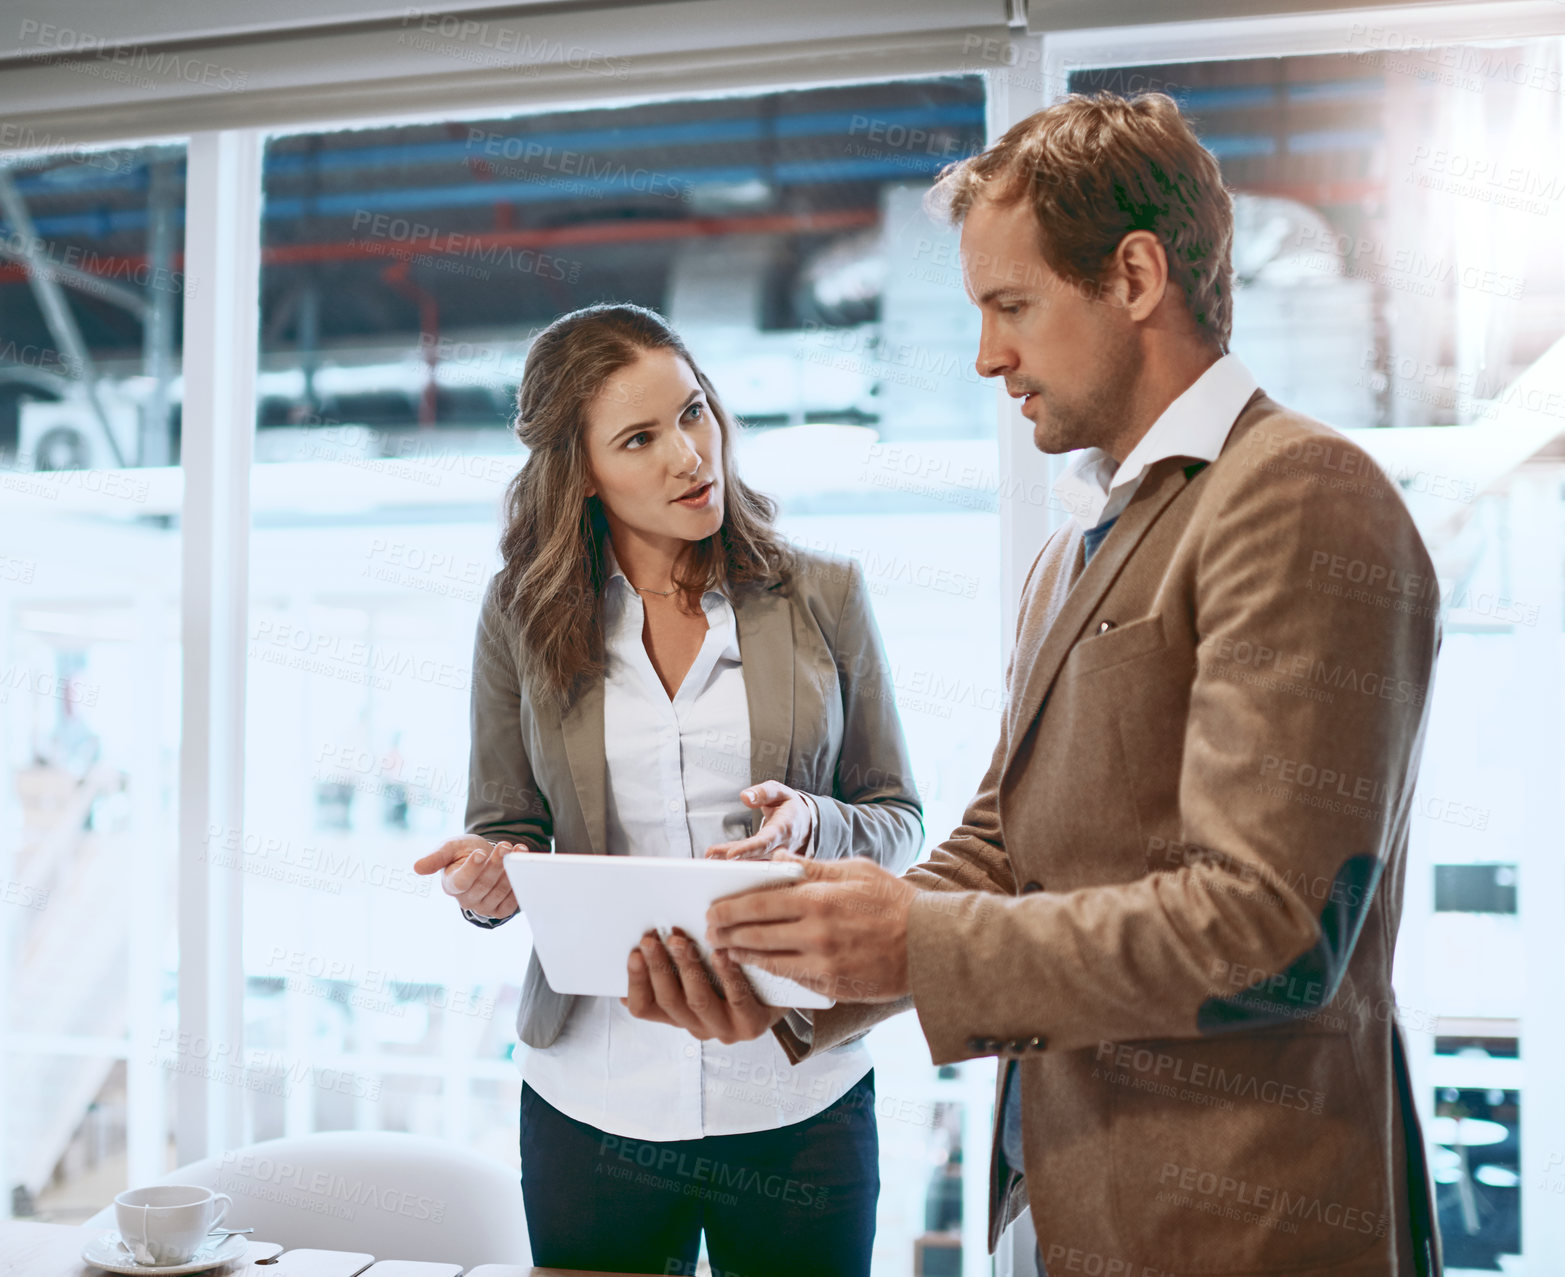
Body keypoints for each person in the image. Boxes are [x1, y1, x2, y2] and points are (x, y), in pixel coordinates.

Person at [635, 94, 1444, 1276]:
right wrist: (804, 961)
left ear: (1131, 277)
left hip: (1236, 1231)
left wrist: (911, 941)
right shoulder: (1070, 550)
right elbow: (1004, 848)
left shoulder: (1296, 495)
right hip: (1060, 1209)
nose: (984, 355)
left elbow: (1267, 926)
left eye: (1009, 306)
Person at [413, 303, 922, 1277]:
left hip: (794, 1087)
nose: (689, 454)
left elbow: (897, 818)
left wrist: (812, 822)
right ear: (583, 470)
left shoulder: (824, 595)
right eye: (640, 438)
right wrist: (490, 876)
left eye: (693, 413)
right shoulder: (520, 615)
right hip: (593, 1094)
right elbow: (505, 827)